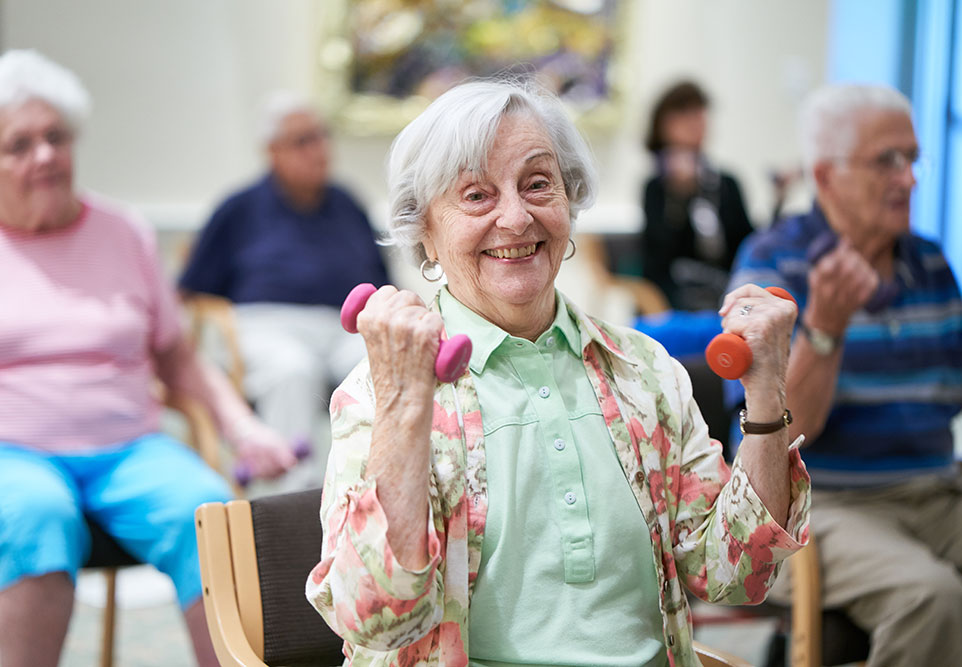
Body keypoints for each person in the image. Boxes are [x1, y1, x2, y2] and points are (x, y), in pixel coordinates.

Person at [306, 78, 810, 666]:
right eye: (477, 195)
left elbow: (737, 574)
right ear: (426, 233)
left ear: (569, 201)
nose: (517, 218)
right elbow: (376, 618)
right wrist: (403, 403)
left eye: (538, 184)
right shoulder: (378, 393)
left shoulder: (644, 372)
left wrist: (766, 389)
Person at [0, 49, 296, 667]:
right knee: (36, 516)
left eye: (55, 136)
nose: (45, 155)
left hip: (129, 450)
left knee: (211, 515)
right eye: (19, 144)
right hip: (15, 454)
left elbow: (176, 357)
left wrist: (242, 427)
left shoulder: (123, 231)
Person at [727, 83, 962, 667]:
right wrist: (824, 330)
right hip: (820, 511)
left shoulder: (927, 262)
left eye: (912, 159)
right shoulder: (772, 262)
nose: (909, 179)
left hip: (937, 497)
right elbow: (781, 431)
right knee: (934, 600)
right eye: (887, 161)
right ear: (825, 177)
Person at [178, 90, 389, 487]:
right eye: (303, 140)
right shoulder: (239, 209)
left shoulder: (348, 204)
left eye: (323, 136)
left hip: (344, 327)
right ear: (273, 151)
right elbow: (191, 290)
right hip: (266, 327)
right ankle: (290, 502)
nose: (320, 149)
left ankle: (370, 491)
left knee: (378, 364)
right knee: (293, 368)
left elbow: (383, 283)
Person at [641, 80, 754, 311]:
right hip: (673, 300)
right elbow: (658, 260)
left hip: (727, 293)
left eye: (700, 113)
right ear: (663, 124)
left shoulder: (727, 183)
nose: (697, 122)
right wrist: (679, 198)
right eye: (685, 114)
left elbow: (746, 246)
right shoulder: (656, 188)